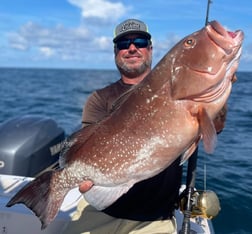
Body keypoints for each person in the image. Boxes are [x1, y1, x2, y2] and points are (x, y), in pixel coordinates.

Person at [63, 19, 227, 234]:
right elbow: (87, 147)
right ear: (116, 52)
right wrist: (72, 178)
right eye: (124, 44)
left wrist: (218, 92)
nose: (132, 48)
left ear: (150, 49)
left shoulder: (181, 87)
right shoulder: (99, 99)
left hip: (154, 221)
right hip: (98, 213)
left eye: (139, 42)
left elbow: (216, 126)